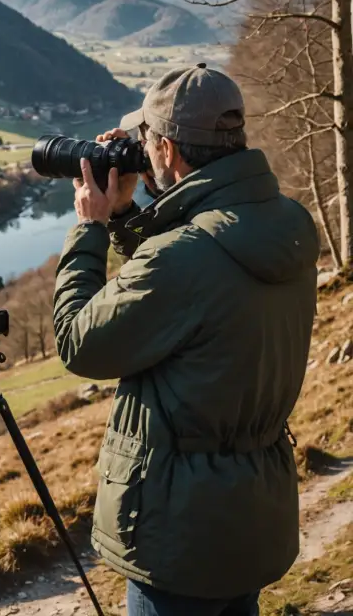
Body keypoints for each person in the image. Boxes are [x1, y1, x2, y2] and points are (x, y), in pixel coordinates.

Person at [53, 64, 319, 616]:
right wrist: (128, 213)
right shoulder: (286, 222)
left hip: (177, 536)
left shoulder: (183, 258)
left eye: (146, 141)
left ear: (169, 151)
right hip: (251, 517)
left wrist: (91, 228)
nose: (141, 152)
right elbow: (183, 289)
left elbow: (79, 342)